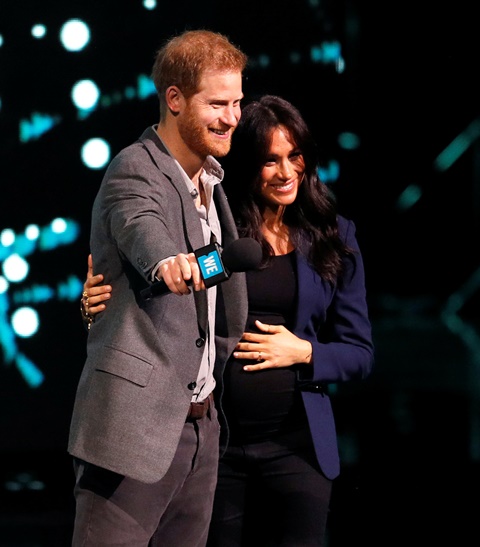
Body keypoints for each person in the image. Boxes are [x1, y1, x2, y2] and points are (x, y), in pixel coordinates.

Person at [80, 94, 375, 546]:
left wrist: (305, 351)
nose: (286, 172)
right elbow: (159, 283)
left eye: (294, 156)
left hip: (296, 449)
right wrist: (96, 301)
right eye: (270, 160)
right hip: (219, 448)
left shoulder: (334, 236)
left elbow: (359, 354)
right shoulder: (218, 229)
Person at [69, 29, 249, 546]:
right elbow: (143, 229)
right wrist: (169, 263)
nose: (231, 118)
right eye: (217, 104)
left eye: (237, 102)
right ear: (174, 99)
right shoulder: (134, 169)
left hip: (200, 430)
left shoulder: (211, 183)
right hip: (132, 434)